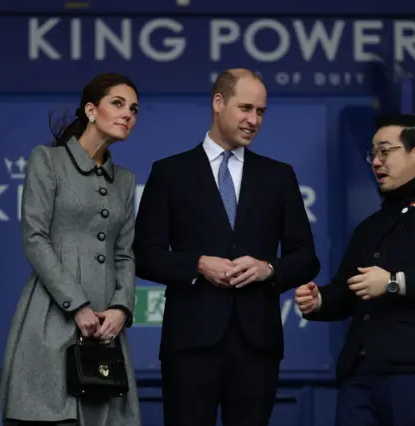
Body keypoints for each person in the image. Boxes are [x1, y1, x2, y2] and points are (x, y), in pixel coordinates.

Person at [133, 68, 320, 426]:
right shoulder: (170, 172)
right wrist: (198, 265)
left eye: (261, 112)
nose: (254, 120)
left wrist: (269, 269)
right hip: (189, 343)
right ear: (218, 103)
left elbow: (306, 258)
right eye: (246, 108)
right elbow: (144, 255)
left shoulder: (279, 176)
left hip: (257, 346)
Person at [295, 115, 415, 426]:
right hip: (360, 372)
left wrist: (395, 283)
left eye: (385, 151)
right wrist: (319, 301)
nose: (376, 162)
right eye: (372, 154)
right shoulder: (371, 226)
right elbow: (347, 289)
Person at [0, 73, 142, 426]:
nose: (128, 115)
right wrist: (77, 305)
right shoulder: (47, 161)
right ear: (91, 110)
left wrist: (122, 308)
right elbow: (34, 238)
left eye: (134, 109)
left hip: (107, 328)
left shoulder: (124, 179)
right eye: (118, 104)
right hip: (52, 316)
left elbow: (124, 253)